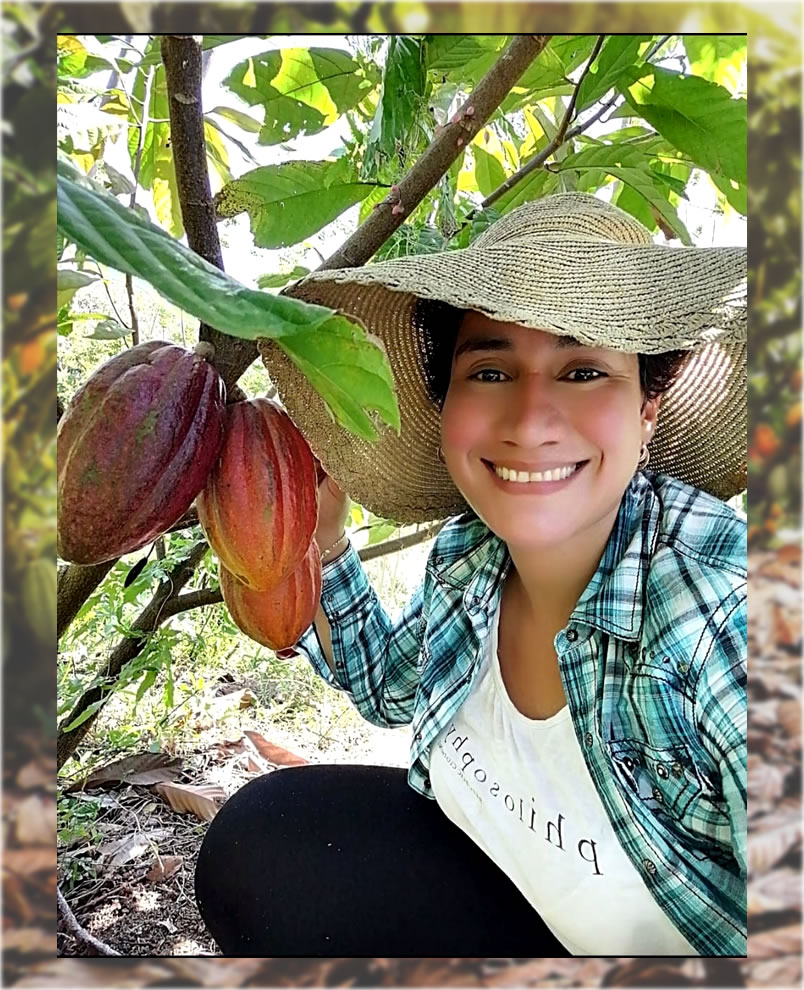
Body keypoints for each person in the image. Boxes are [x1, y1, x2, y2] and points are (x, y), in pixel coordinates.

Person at [195, 193, 747, 957]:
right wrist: (319, 540)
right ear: (446, 399)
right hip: (509, 890)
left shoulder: (722, 613)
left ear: (648, 408)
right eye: (489, 370)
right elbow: (393, 685)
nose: (529, 420)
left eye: (584, 368)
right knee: (259, 845)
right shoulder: (471, 555)